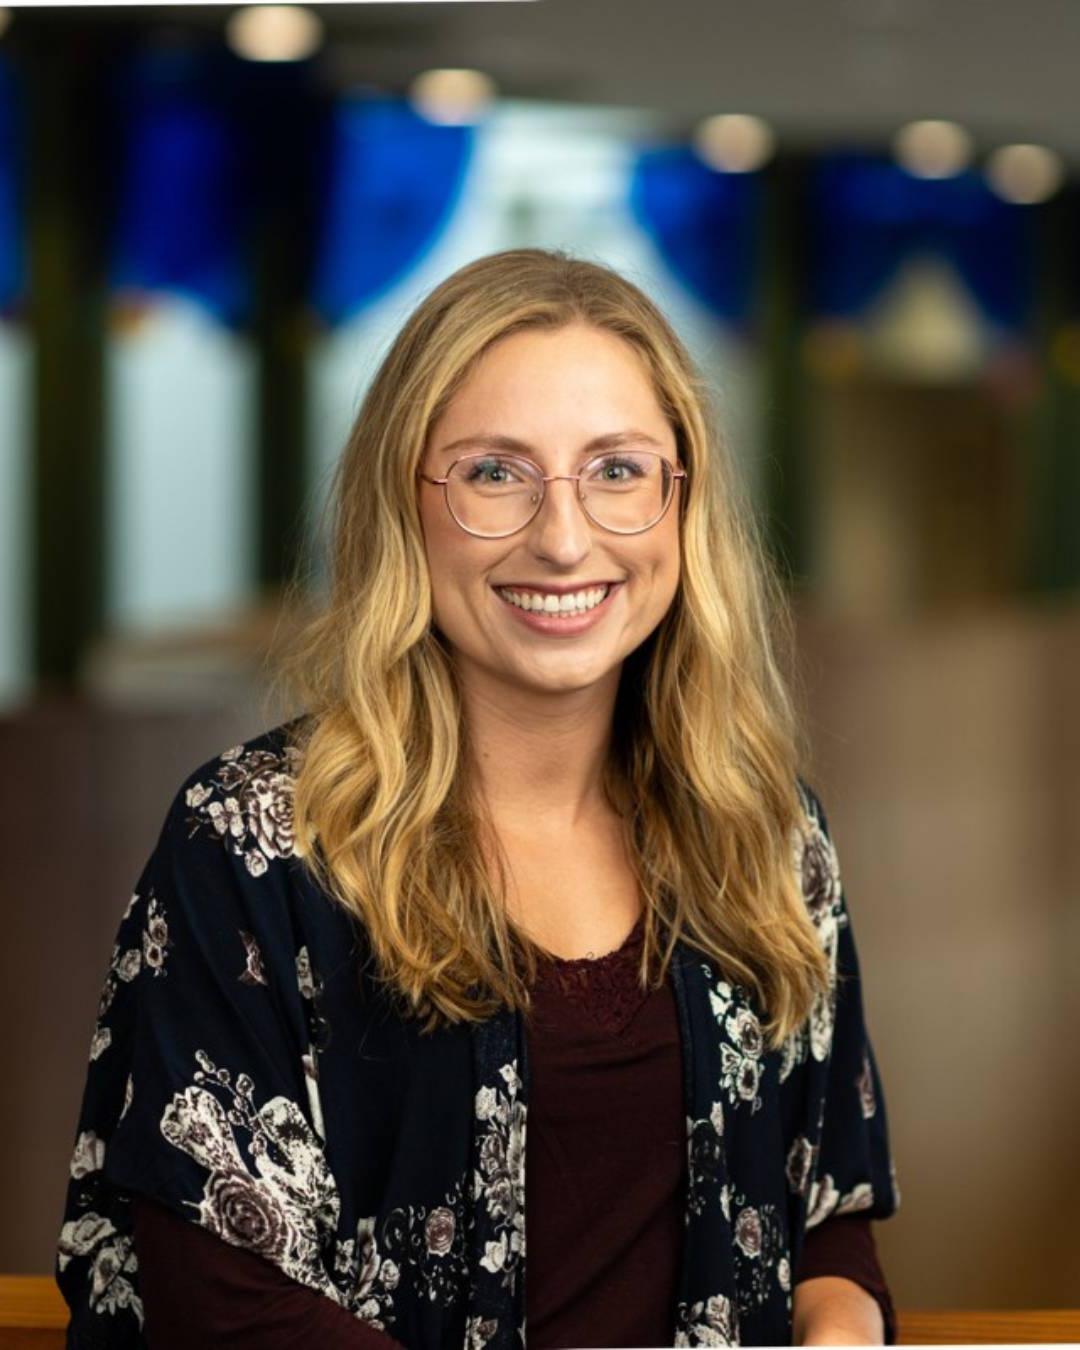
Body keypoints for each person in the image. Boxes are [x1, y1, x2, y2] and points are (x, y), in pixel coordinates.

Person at [56, 248, 900, 1348]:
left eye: (617, 470)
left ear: (682, 500)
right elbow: (223, 1309)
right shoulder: (258, 843)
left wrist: (844, 1325)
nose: (562, 536)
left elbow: (826, 1214)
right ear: (406, 499)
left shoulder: (767, 833)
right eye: (495, 473)